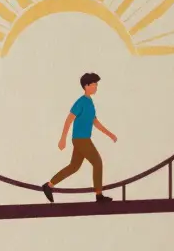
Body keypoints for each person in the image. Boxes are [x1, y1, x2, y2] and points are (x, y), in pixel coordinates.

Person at [41, 72, 117, 203]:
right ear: (86, 86)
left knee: (74, 166)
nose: (96, 87)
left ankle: (49, 185)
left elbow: (95, 121)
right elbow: (69, 119)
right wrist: (62, 138)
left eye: (96, 85)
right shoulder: (81, 102)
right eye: (94, 85)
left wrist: (110, 134)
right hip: (81, 140)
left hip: (83, 139)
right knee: (97, 163)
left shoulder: (90, 102)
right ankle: (99, 195)